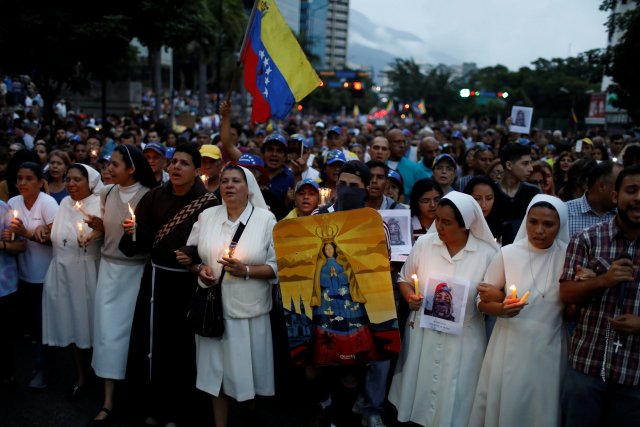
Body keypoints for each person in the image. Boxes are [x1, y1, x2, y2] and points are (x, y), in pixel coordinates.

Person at [123, 144, 219, 426]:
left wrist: (192, 253)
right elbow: (138, 244)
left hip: (188, 283)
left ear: (197, 170)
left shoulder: (208, 202)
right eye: (174, 162)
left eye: (184, 163)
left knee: (183, 348)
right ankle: (153, 405)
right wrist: (132, 232)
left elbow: (212, 244)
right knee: (153, 343)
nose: (176, 167)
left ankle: (182, 411)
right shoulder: (154, 197)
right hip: (156, 281)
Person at [388, 191, 499, 427]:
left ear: (466, 225)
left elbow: (491, 297)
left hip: (465, 338)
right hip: (424, 334)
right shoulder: (425, 244)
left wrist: (493, 297)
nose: (439, 226)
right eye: (437, 219)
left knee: (458, 397)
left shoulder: (488, 254)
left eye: (447, 222)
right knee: (422, 388)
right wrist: (411, 297)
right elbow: (405, 279)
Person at [184, 164, 277, 427]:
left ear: (249, 189)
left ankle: (250, 418)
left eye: (236, 181)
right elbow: (192, 255)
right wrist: (200, 269)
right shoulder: (207, 216)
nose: (229, 185)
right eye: (225, 181)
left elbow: (277, 266)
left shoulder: (265, 219)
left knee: (248, 379)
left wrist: (245, 270)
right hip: (212, 309)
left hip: (248, 313)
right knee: (217, 378)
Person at [470, 195, 569, 427]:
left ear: (560, 225)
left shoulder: (568, 254)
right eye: (533, 222)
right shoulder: (509, 253)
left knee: (544, 410)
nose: (539, 230)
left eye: (548, 224)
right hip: (510, 346)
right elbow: (480, 300)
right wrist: (501, 309)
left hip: (550, 348)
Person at [559, 165, 640, 427]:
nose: (638, 198)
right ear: (616, 196)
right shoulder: (588, 239)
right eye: (632, 190)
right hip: (588, 366)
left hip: (635, 372)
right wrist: (603, 281)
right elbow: (566, 293)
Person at [86, 144, 156, 425]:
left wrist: (138, 233)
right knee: (106, 336)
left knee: (131, 338)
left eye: (115, 164)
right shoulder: (107, 192)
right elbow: (108, 229)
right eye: (108, 164)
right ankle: (107, 400)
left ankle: (133, 397)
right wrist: (98, 228)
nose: (109, 169)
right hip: (109, 270)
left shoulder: (149, 196)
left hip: (135, 273)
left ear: (131, 168)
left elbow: (152, 237)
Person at [41, 164, 103, 399]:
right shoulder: (65, 204)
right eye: (68, 179)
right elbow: (58, 236)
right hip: (62, 270)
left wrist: (98, 232)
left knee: (92, 325)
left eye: (78, 180)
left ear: (91, 183)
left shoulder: (100, 204)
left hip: (87, 272)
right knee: (71, 324)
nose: (71, 184)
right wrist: (42, 232)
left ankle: (102, 376)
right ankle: (80, 374)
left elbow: (107, 234)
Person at [8, 162, 59, 389]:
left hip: (45, 274)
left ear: (41, 182)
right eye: (19, 178)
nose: (22, 183)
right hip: (22, 273)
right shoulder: (12, 202)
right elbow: (11, 237)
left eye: (29, 178)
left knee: (42, 325)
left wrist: (27, 233)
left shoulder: (48, 203)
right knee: (29, 326)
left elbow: (56, 239)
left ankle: (44, 369)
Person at [0, 199, 27, 390]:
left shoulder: (3, 208)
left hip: (3, 286)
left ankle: (8, 375)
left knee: (3, 338)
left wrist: (4, 244)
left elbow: (20, 246)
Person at [566, 161, 622, 237]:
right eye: (620, 186)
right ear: (602, 186)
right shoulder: (565, 212)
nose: (623, 192)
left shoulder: (625, 214)